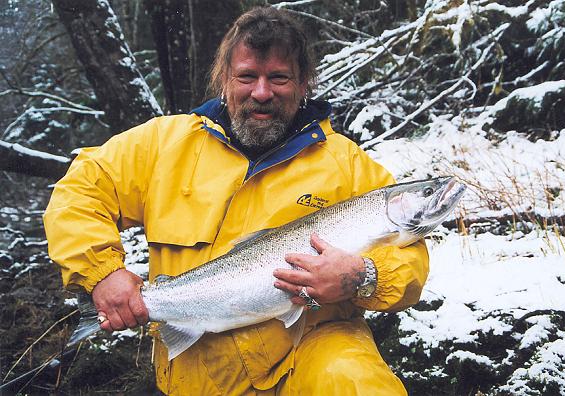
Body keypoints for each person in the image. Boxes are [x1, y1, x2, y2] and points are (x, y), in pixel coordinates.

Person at [44, 6, 429, 395]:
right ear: (223, 79)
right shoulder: (162, 145)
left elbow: (408, 257)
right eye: (247, 77)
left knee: (357, 382)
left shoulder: (346, 163)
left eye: (278, 78)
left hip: (310, 357)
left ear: (303, 83)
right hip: (196, 377)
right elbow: (79, 191)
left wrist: (363, 276)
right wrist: (103, 273)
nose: (261, 93)